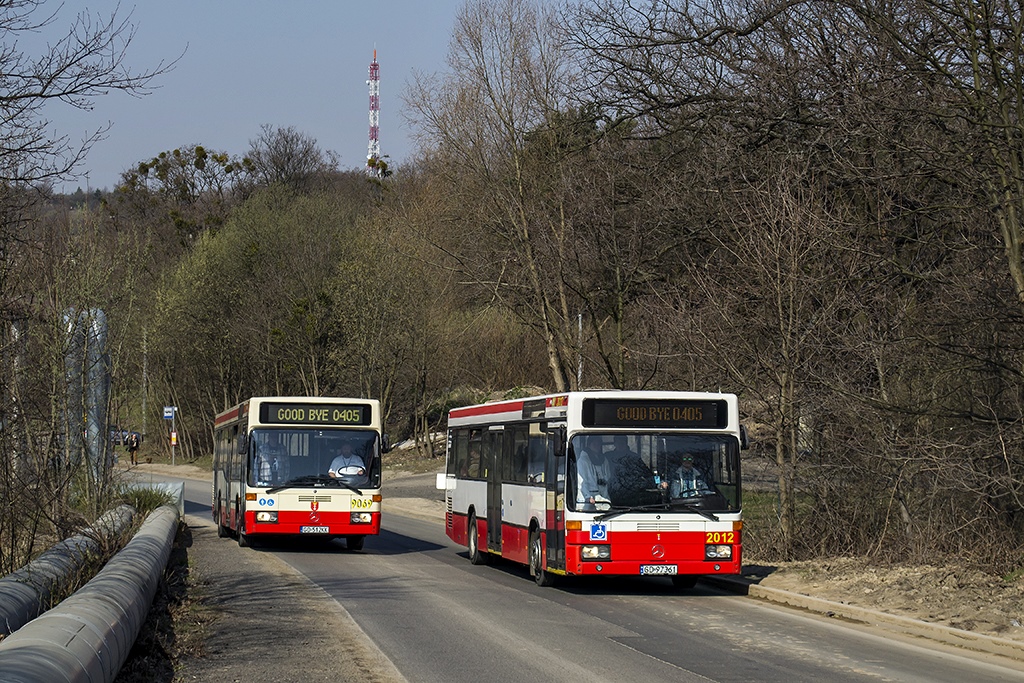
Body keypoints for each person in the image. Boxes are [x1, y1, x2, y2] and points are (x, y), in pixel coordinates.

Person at [575, 435, 610, 509]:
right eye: (595, 444)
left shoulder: (604, 460)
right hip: (589, 499)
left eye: (599, 444)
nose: (597, 446)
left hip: (604, 497)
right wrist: (587, 497)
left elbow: (608, 477)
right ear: (589, 445)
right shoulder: (583, 461)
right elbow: (581, 482)